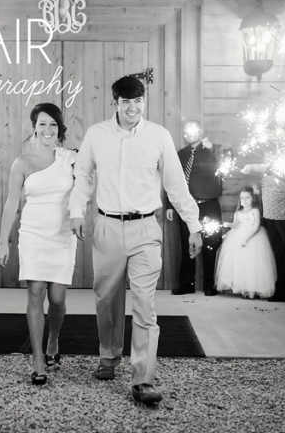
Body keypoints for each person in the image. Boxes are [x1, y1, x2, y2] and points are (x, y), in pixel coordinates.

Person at [69, 76, 202, 405]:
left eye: (138, 100)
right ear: (115, 103)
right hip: (107, 226)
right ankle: (109, 356)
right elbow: (83, 175)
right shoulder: (96, 134)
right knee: (106, 299)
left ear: (144, 101)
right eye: (126, 101)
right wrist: (76, 211)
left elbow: (175, 184)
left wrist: (194, 224)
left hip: (145, 229)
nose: (133, 107)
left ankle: (143, 379)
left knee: (144, 304)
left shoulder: (159, 136)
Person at [0, 103, 77, 386]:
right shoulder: (22, 163)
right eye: (42, 124)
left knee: (57, 300)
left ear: (59, 129)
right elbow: (11, 203)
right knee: (35, 293)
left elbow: (87, 188)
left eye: (53, 124)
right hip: (33, 234)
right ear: (34, 128)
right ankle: (38, 360)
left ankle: (53, 339)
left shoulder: (70, 159)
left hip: (62, 234)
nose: (47, 129)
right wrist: (3, 242)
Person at [167, 119, 226, 297]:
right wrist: (170, 205)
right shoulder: (181, 154)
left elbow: (226, 163)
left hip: (208, 204)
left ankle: (210, 284)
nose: (189, 133)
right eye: (186, 130)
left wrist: (212, 149)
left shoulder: (213, 150)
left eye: (193, 130)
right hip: (187, 206)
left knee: (210, 244)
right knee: (187, 244)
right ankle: (187, 284)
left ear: (200, 132)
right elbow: (173, 179)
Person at [241, 158, 285, 304]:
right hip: (271, 211)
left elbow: (282, 167)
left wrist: (254, 165)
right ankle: (282, 291)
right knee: (279, 252)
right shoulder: (270, 157)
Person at [214, 186, 276, 299]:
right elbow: (236, 224)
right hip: (238, 237)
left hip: (253, 238)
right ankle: (242, 287)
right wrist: (228, 224)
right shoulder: (238, 212)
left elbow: (256, 226)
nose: (245, 200)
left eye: (247, 198)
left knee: (253, 263)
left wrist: (246, 238)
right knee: (240, 262)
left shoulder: (255, 211)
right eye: (242, 198)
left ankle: (253, 289)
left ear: (253, 198)